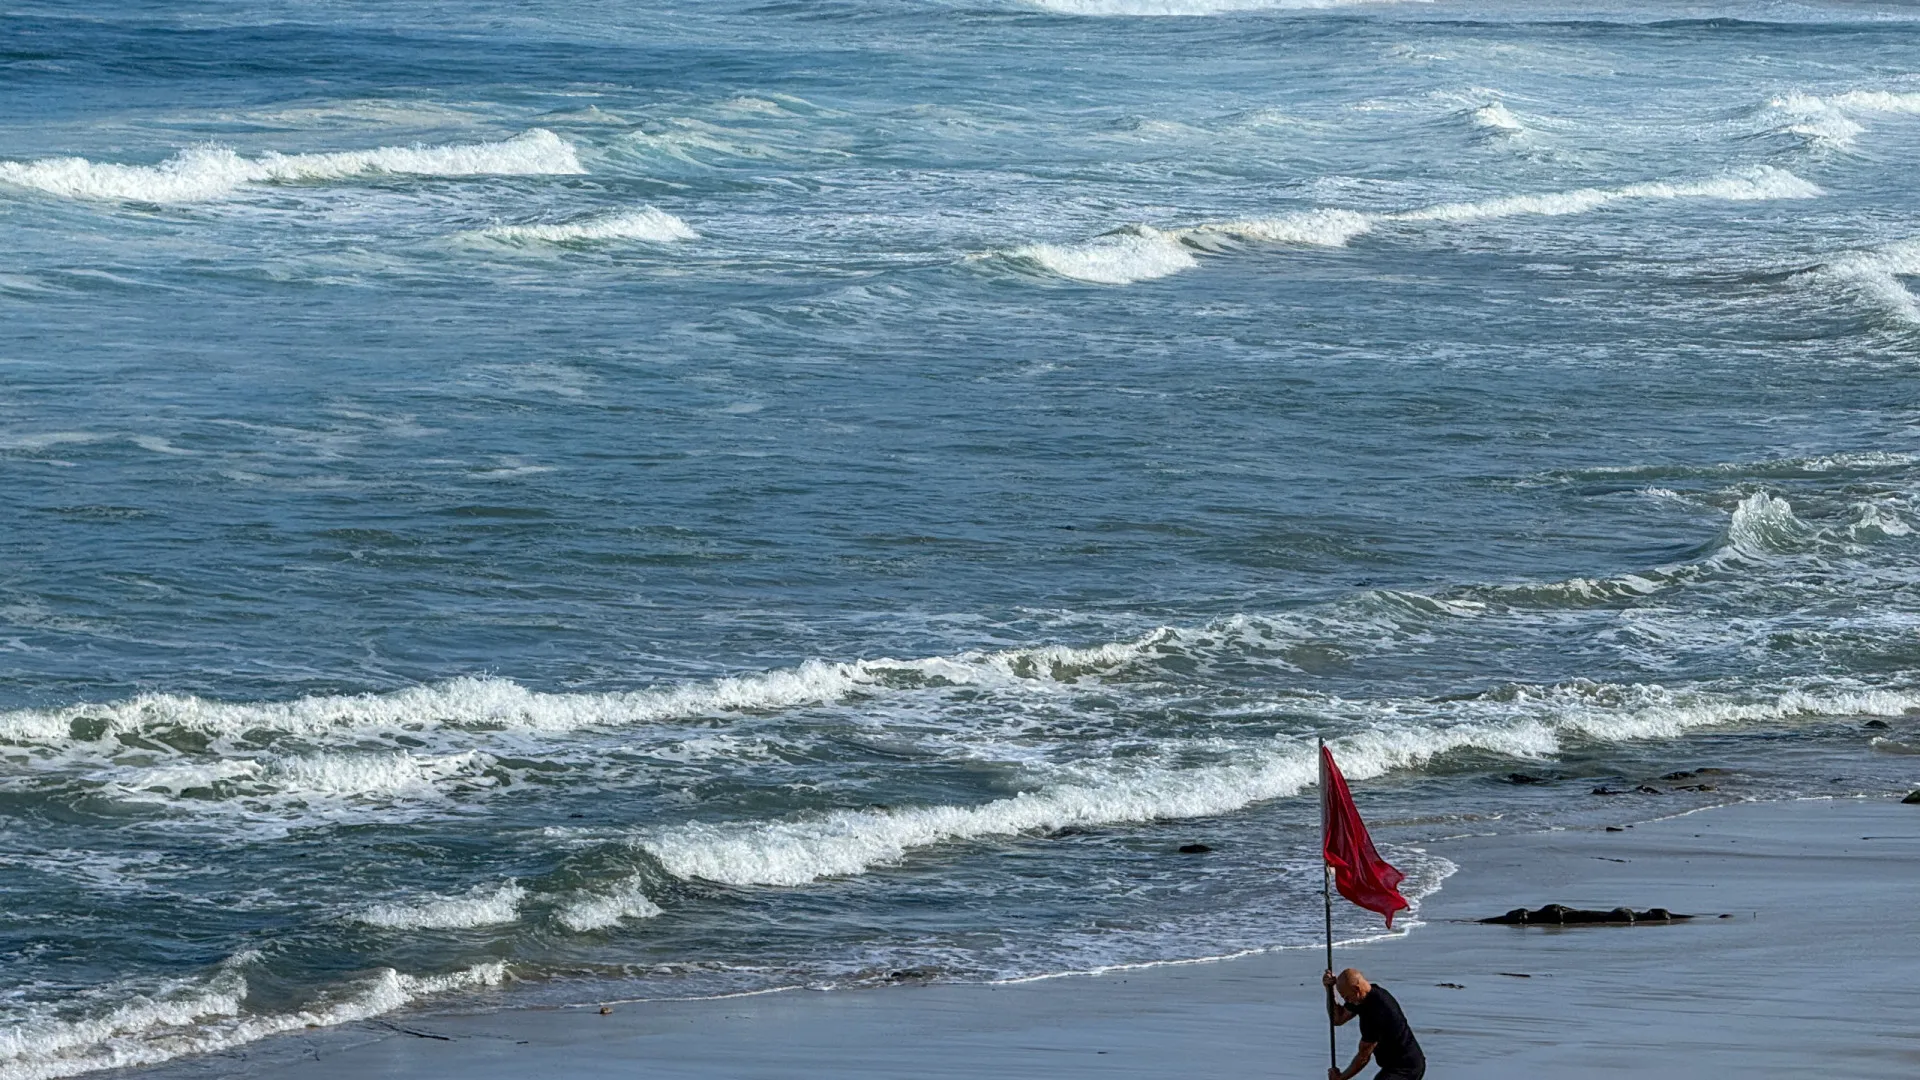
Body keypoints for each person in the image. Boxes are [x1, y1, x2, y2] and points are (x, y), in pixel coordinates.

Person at [1323, 967, 1425, 1080]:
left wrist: (1341, 1078)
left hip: (1407, 1067)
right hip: (1392, 1066)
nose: (1347, 1002)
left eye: (1347, 997)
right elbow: (1338, 1018)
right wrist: (1329, 989)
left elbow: (1363, 1057)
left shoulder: (1376, 1010)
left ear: (1357, 989)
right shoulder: (1362, 997)